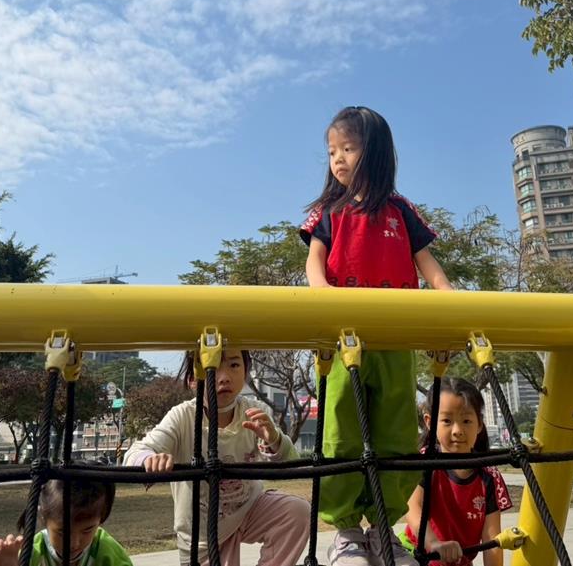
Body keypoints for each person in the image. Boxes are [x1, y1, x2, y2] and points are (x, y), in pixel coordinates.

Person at [300, 105, 453, 566]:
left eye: (348, 148)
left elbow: (429, 267)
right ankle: (347, 530)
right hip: (344, 334)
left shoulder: (400, 211)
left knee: (397, 431)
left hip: (395, 337)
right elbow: (314, 259)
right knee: (341, 430)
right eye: (332, 151)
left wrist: (449, 304)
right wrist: (322, 292)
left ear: (377, 153)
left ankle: (384, 528)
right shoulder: (329, 211)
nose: (338, 158)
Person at [124, 349, 310, 566]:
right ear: (193, 379)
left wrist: (275, 440)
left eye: (234, 365)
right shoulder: (183, 416)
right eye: (212, 368)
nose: (224, 377)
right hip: (202, 534)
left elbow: (291, 464)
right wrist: (148, 459)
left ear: (246, 372)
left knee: (296, 511)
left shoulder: (255, 412)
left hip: (250, 510)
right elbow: (135, 452)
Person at [403, 378, 512, 566]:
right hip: (416, 556)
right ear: (430, 422)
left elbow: (492, 540)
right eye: (447, 420)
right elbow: (413, 508)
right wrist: (433, 543)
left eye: (466, 421)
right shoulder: (425, 463)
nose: (457, 430)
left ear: (479, 424)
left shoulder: (489, 476)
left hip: (459, 561)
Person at [0, 472, 132, 565]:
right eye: (62, 532)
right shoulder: (32, 553)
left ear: (101, 519)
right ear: (43, 517)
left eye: (87, 530)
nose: (74, 543)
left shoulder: (107, 553)